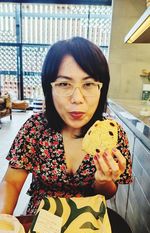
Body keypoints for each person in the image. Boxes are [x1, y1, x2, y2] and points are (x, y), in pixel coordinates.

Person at [0, 37, 132, 215]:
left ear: (102, 88)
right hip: (40, 217)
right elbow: (12, 182)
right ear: (50, 88)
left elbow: (107, 193)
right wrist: (3, 223)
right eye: (64, 84)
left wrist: (103, 180)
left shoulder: (112, 135)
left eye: (88, 84)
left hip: (88, 221)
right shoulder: (35, 128)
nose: (77, 98)